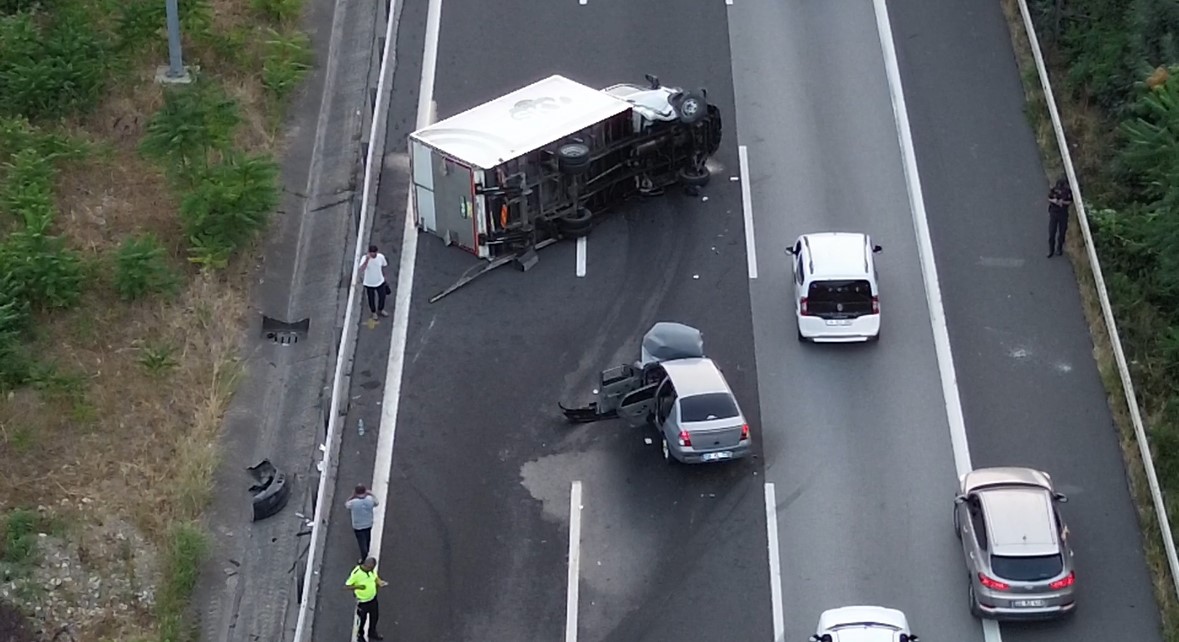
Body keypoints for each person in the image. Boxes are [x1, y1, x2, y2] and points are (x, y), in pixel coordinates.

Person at [345, 557, 387, 642]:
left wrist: (379, 582)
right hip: (363, 602)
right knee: (362, 621)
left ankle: (372, 632)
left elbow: (375, 577)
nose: (372, 570)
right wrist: (358, 587)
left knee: (374, 617)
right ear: (367, 566)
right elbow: (347, 586)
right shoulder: (357, 573)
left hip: (373, 599)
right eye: (371, 568)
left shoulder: (371, 571)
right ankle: (360, 635)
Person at [346, 484, 379, 560]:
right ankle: (367, 549)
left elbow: (347, 504)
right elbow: (376, 502)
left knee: (361, 541)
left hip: (358, 525)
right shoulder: (370, 499)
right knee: (367, 538)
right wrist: (371, 493)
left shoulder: (353, 502)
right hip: (368, 523)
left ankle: (364, 556)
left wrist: (352, 495)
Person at [358, 245, 390, 320]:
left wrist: (384, 277)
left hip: (380, 281)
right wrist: (367, 260)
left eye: (374, 253)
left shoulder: (380, 257)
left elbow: (383, 266)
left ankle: (380, 309)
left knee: (382, 296)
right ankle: (373, 312)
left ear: (377, 252)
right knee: (371, 298)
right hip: (369, 283)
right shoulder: (364, 258)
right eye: (371, 253)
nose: (373, 255)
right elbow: (361, 269)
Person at [1047, 177, 1073, 258]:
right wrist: (1054, 201)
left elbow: (1070, 201)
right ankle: (1051, 250)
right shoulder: (1054, 190)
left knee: (1062, 232)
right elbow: (1049, 198)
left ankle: (1059, 248)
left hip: (1063, 213)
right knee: (1052, 232)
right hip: (1054, 213)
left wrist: (1063, 202)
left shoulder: (1067, 192)